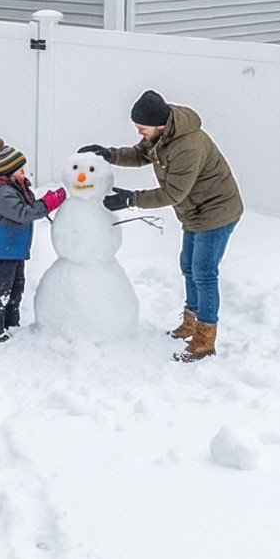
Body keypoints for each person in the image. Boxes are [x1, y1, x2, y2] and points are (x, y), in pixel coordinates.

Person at [82, 90, 243, 363]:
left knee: (204, 272)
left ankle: (205, 339)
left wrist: (131, 199)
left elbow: (172, 194)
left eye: (142, 128)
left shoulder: (187, 146)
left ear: (159, 124)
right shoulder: (163, 136)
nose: (140, 133)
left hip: (217, 212)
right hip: (194, 211)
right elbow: (140, 154)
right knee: (188, 266)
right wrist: (110, 154)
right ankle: (191, 321)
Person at [0, 138, 61, 342]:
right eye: (21, 170)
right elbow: (23, 213)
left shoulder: (17, 188)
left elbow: (29, 207)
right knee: (0, 292)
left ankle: (10, 323)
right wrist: (48, 204)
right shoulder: (3, 193)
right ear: (8, 173)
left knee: (16, 289)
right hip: (1, 251)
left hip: (14, 250)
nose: (25, 173)